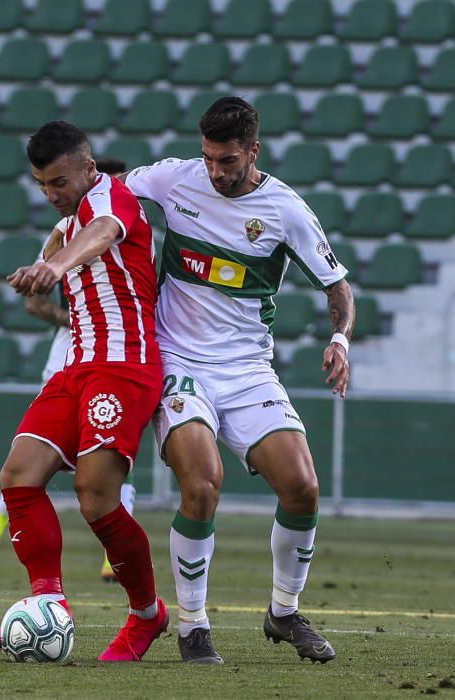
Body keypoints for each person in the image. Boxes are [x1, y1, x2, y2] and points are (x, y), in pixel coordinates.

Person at [119, 96, 353, 665]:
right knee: (201, 485)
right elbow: (110, 191)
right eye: (209, 160)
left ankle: (283, 611)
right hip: (178, 361)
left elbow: (338, 287)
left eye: (228, 161)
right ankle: (193, 626)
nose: (216, 173)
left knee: (303, 488)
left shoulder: (285, 210)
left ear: (254, 150)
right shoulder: (176, 179)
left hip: (248, 369)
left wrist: (340, 339)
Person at [0, 121, 168, 662]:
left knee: (95, 496)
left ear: (89, 168)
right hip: (77, 366)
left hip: (124, 366)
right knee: (18, 476)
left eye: (59, 181)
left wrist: (54, 264)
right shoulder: (70, 221)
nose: (51, 194)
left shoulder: (115, 197)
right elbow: (67, 239)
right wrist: (46, 257)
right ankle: (47, 606)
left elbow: (105, 232)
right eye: (42, 185)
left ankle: (146, 615)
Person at [0, 159, 137, 584]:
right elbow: (35, 301)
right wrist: (81, 319)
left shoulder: (130, 228)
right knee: (47, 461)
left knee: (106, 467)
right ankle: (1, 515)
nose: (114, 193)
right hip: (73, 357)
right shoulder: (69, 231)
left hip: (116, 358)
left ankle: (114, 568)